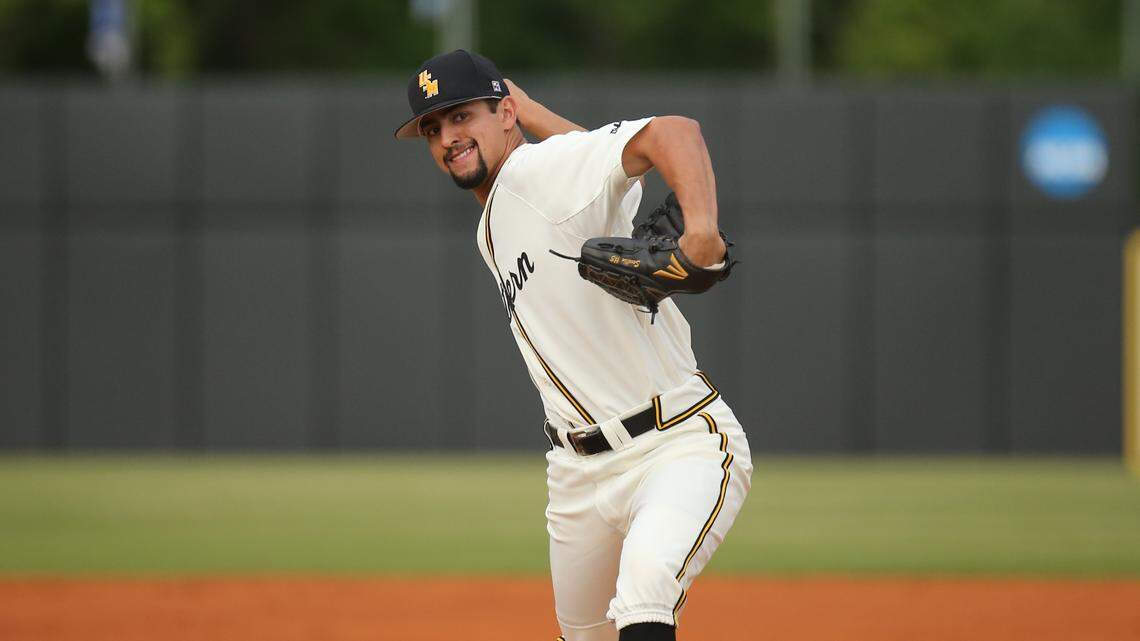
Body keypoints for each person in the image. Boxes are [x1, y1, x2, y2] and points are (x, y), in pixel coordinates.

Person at [394, 50, 752, 641]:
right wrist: (531, 113)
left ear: (502, 112)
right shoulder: (495, 219)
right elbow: (594, 168)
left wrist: (701, 232)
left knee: (644, 597)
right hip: (576, 474)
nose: (446, 138)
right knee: (586, 635)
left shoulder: (539, 173)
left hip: (672, 444)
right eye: (432, 128)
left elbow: (673, 132)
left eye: (461, 118)